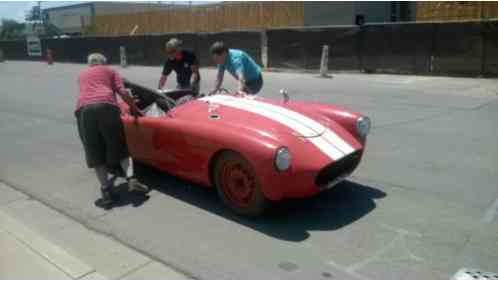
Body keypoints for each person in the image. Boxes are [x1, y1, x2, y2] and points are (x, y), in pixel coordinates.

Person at [76, 53, 149, 208]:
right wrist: (135, 109)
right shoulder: (110, 71)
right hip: (107, 107)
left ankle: (106, 192)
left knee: (95, 152)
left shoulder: (82, 75)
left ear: (90, 64)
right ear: (104, 62)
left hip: (84, 111)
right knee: (120, 146)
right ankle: (131, 179)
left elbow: (87, 95)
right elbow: (123, 92)